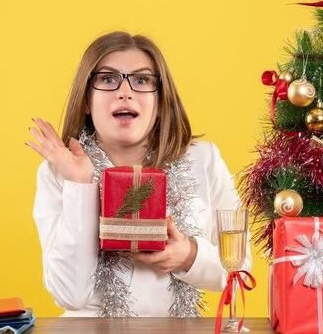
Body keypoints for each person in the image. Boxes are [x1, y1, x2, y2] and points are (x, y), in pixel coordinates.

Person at [27, 31, 252, 317]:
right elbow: (69, 294)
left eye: (142, 80)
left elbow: (242, 268)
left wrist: (190, 256)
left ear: (159, 102)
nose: (125, 92)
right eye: (108, 79)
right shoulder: (58, 172)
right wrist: (80, 185)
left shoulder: (204, 159)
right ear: (86, 100)